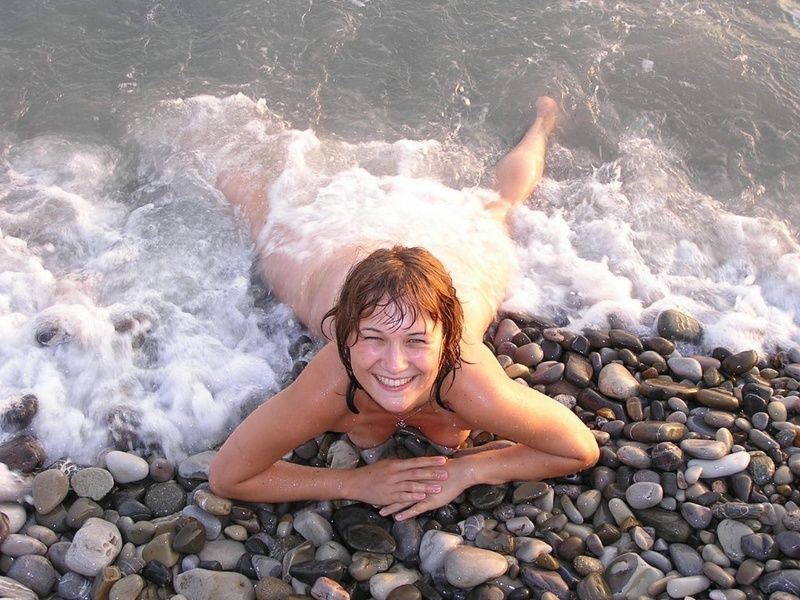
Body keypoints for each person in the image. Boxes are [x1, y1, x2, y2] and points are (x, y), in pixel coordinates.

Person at [208, 97, 599, 521]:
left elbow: (578, 448)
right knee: (265, 218)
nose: (394, 365)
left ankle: (541, 124)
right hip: (335, 267)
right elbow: (228, 476)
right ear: (344, 335)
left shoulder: (469, 379)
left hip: (460, 267)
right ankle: (206, 141)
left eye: (415, 341)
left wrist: (468, 470)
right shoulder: (331, 381)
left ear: (447, 340)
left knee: (500, 206)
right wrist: (354, 483)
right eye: (373, 339)